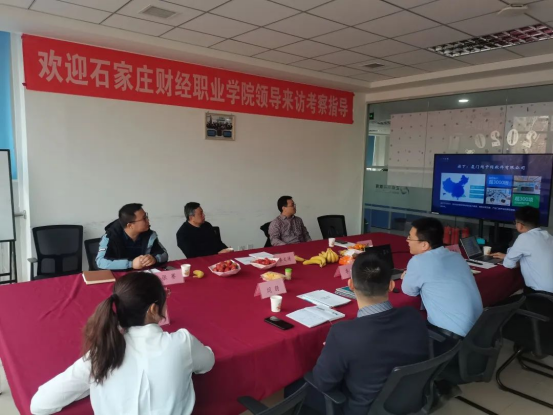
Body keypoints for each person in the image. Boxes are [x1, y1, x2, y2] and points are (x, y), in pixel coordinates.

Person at [30, 272, 215, 415]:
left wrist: (91, 384)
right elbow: (208, 362)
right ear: (153, 309)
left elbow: (39, 404)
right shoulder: (182, 343)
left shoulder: (102, 353)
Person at [308, 253, 429, 415]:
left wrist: (331, 350)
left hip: (363, 409)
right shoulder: (413, 315)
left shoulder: (343, 334)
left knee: (297, 388)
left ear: (351, 285)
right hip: (410, 401)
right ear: (391, 285)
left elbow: (323, 383)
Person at [402, 217, 483, 339]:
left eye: (410, 237)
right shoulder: (456, 256)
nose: (407, 240)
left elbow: (409, 291)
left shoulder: (419, 261)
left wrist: (407, 276)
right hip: (479, 332)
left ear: (424, 245)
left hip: (451, 338)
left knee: (406, 331)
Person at [491, 206, 553, 293]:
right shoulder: (548, 236)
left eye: (515, 222)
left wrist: (510, 259)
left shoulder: (525, 237)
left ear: (520, 225)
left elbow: (509, 264)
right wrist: (508, 256)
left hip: (541, 293)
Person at [96, 203, 168, 270]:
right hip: (119, 276)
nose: (148, 220)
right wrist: (131, 264)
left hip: (143, 275)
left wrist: (154, 259)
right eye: (144, 218)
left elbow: (164, 254)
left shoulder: (149, 235)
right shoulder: (110, 237)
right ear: (130, 225)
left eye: (146, 216)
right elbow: (100, 261)